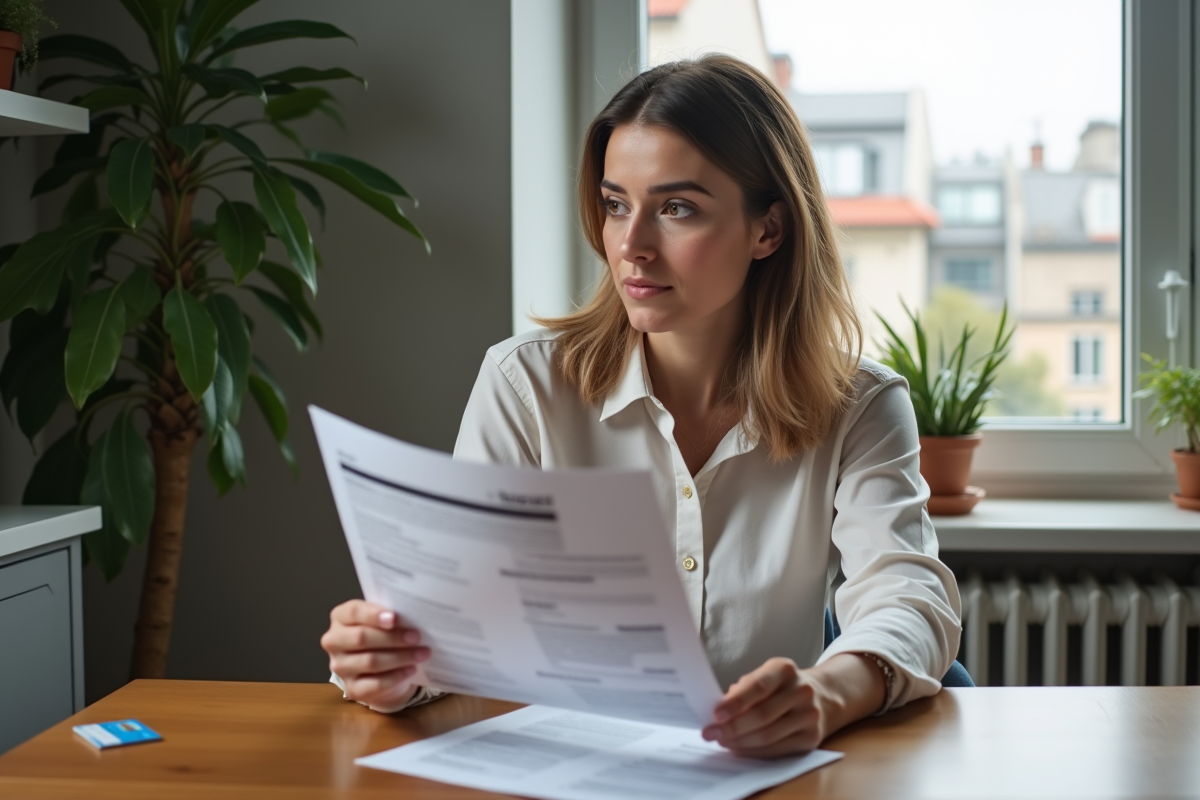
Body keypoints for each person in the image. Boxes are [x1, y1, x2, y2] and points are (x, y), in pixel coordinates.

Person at [321, 55, 961, 757]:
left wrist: (828, 693)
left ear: (768, 230)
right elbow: (458, 620)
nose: (630, 246)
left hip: (760, 778)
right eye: (616, 203)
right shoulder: (524, 385)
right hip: (567, 773)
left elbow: (909, 597)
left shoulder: (860, 406)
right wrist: (388, 668)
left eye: (677, 208)